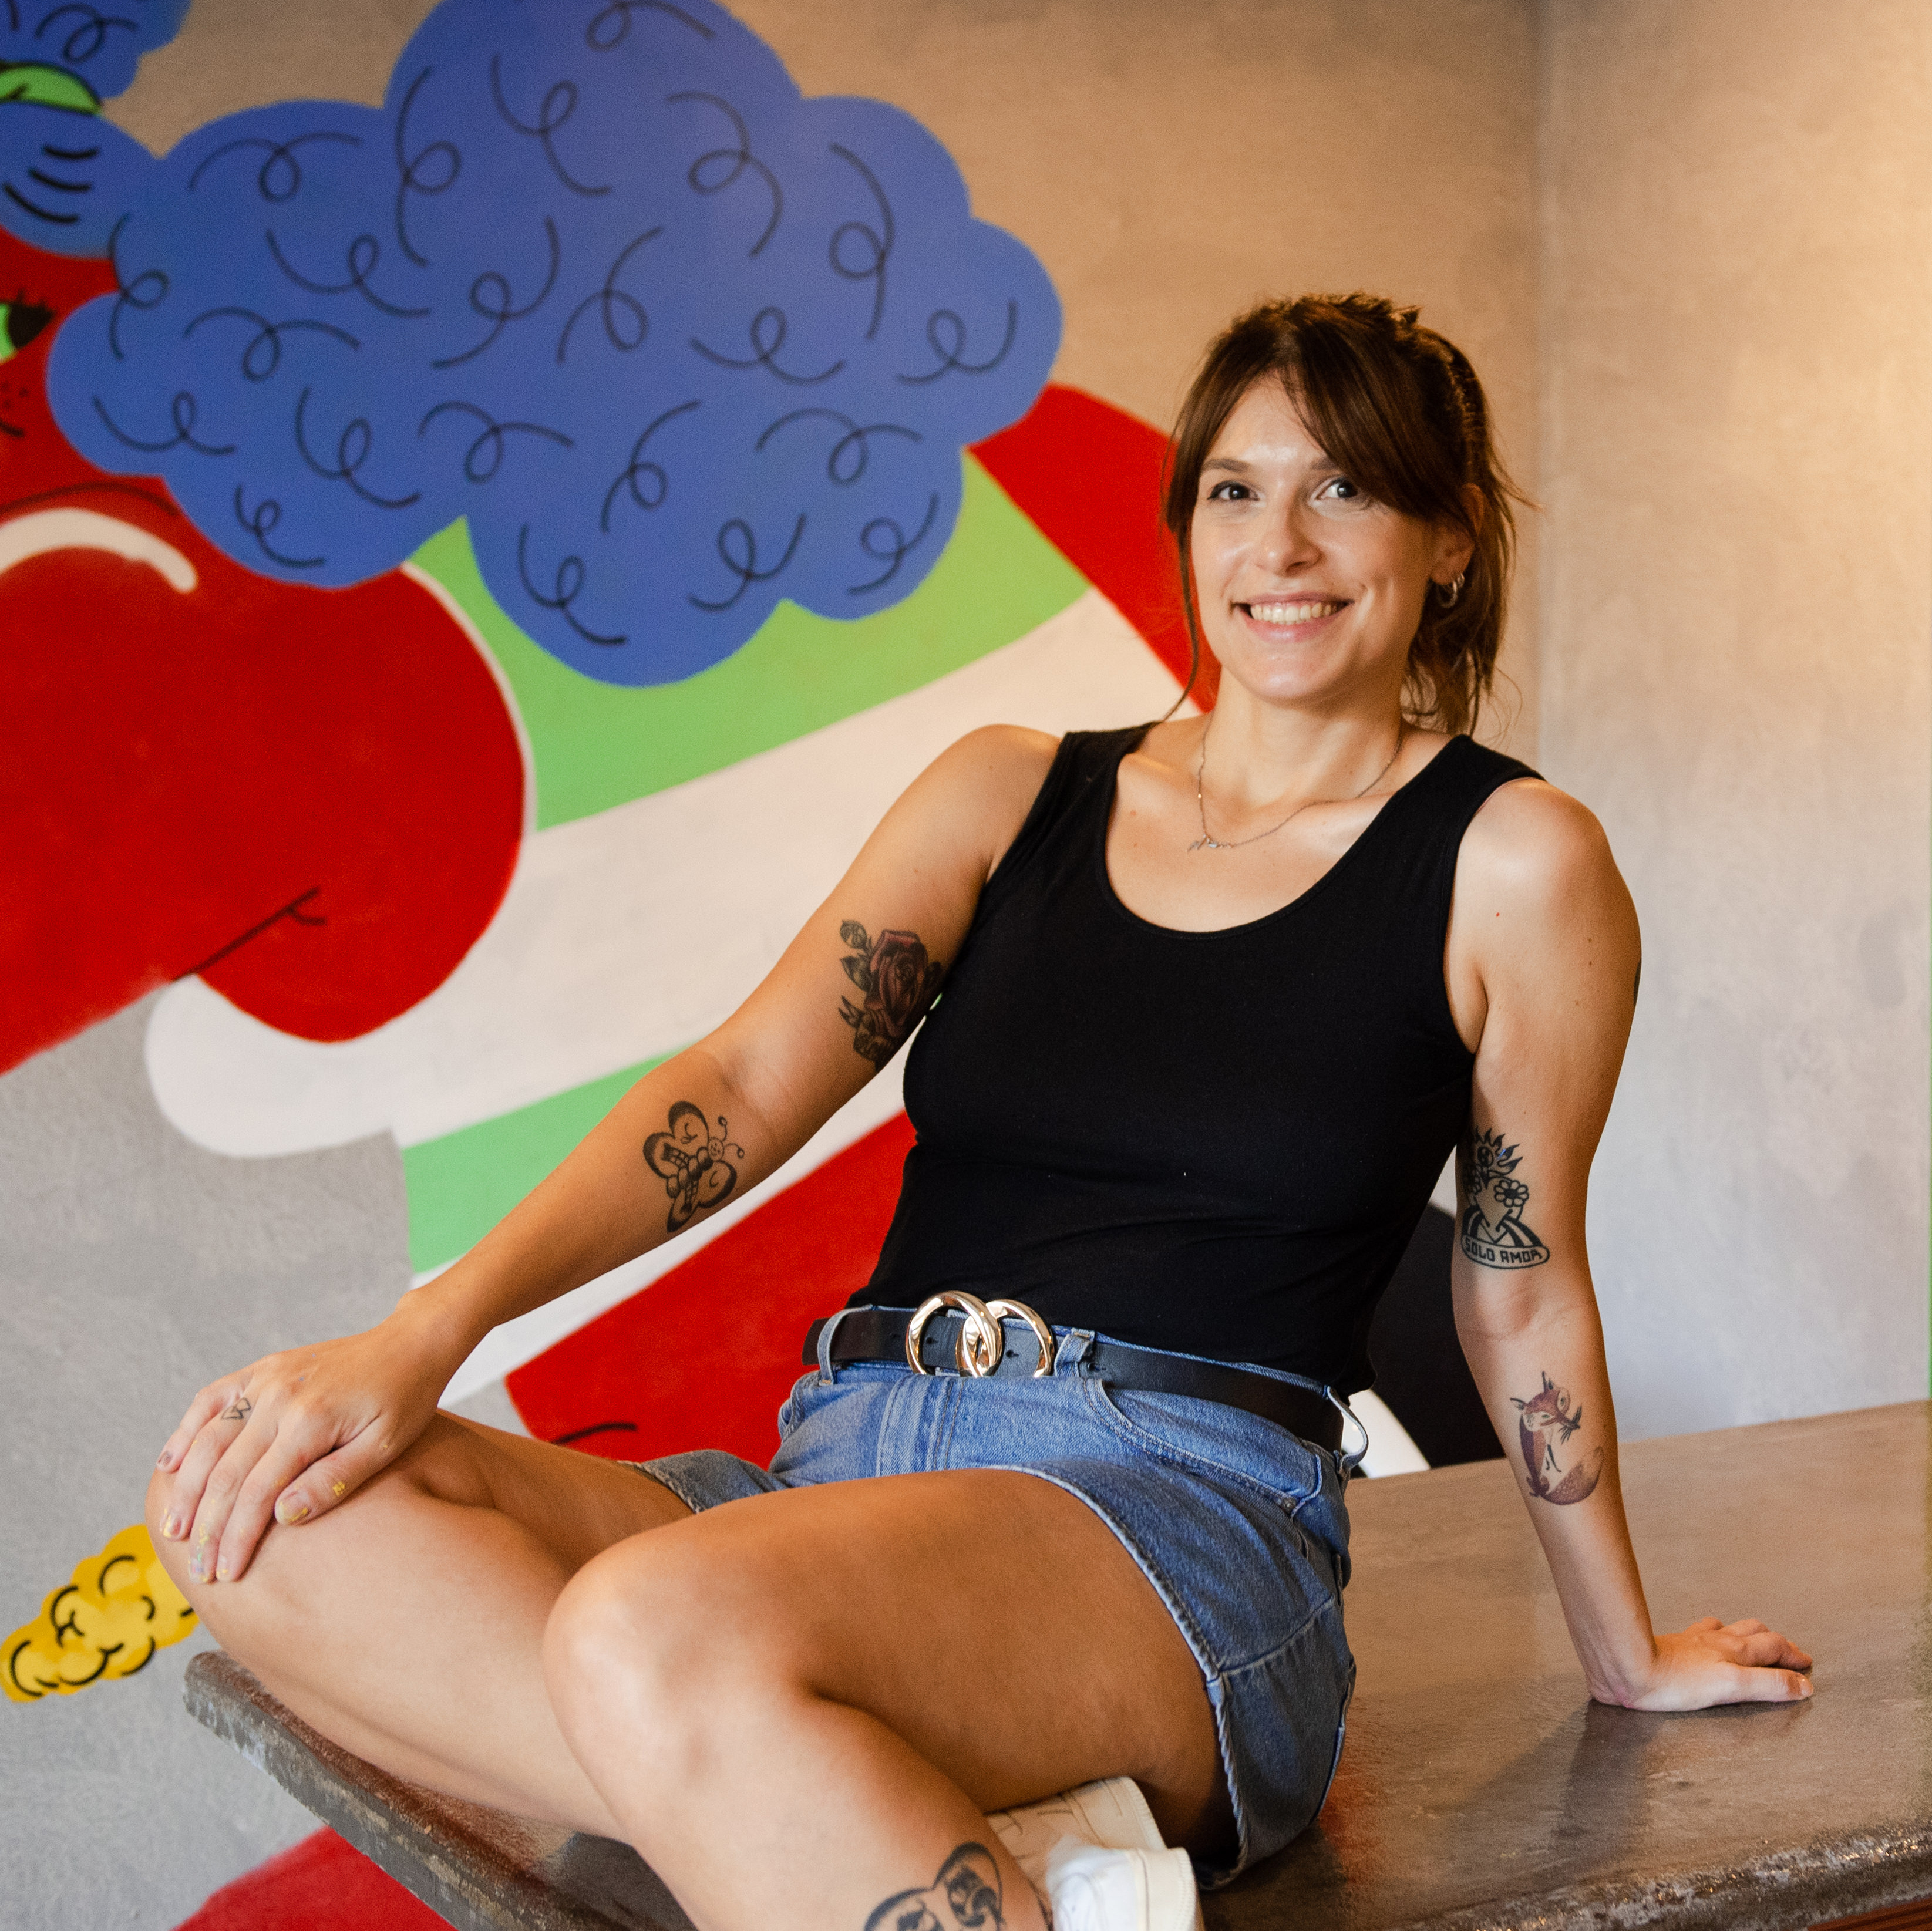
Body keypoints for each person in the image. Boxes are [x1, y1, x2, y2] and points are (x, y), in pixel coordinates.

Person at [146, 294, 1812, 1931]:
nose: (1280, 543)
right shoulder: (1012, 791)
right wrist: (421, 1337)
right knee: (261, 1513)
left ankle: (795, 1778)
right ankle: (894, 1814)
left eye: (1345, 488)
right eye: (1236, 489)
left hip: (1173, 1527)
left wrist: (1623, 1651)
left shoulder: (1512, 863)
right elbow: (729, 1092)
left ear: (1448, 541)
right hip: (833, 1485)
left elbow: (1516, 1278)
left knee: (646, 1626)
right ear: (1185, 528)